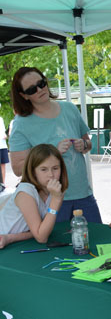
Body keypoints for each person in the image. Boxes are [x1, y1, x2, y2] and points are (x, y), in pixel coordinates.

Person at [9, 67, 101, 223]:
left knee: (96, 237)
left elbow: (88, 143)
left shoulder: (69, 108)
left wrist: (84, 144)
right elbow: (18, 169)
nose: (40, 89)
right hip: (49, 199)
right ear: (23, 95)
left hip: (83, 193)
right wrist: (52, 153)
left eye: (41, 83)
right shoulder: (21, 123)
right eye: (31, 89)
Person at [0, 143, 68, 249]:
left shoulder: (56, 190)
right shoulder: (26, 191)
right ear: (33, 171)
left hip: (16, 243)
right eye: (43, 169)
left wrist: (10, 238)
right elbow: (42, 237)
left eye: (55, 168)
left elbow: (41, 231)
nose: (51, 174)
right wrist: (55, 201)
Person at [0, 115, 9, 185]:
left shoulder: (1, 119)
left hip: (2, 145)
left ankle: (3, 184)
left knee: (3, 165)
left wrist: (6, 135)